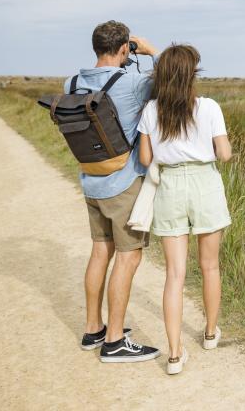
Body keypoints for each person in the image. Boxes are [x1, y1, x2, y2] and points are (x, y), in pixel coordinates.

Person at [67, 20, 161, 362]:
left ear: (96, 47)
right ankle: (115, 340)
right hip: (122, 184)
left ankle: (94, 329)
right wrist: (151, 52)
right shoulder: (133, 83)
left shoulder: (73, 82)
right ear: (124, 48)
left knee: (99, 253)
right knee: (128, 256)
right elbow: (174, 83)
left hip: (91, 179)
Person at [137, 44, 233, 375]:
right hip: (205, 184)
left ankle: (175, 354)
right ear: (192, 75)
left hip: (171, 187)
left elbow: (146, 159)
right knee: (210, 267)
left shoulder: (151, 109)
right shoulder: (209, 107)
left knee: (175, 275)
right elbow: (224, 154)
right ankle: (209, 333)